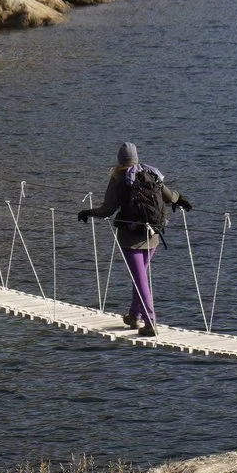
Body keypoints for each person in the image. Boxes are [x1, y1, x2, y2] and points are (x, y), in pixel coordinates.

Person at [78, 142, 190, 337]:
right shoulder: (151, 173)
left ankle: (150, 322)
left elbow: (108, 210)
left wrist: (88, 212)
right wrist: (180, 198)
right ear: (136, 157)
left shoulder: (118, 178)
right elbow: (170, 196)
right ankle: (134, 315)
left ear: (120, 159)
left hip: (130, 238)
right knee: (141, 277)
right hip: (153, 234)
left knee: (140, 280)